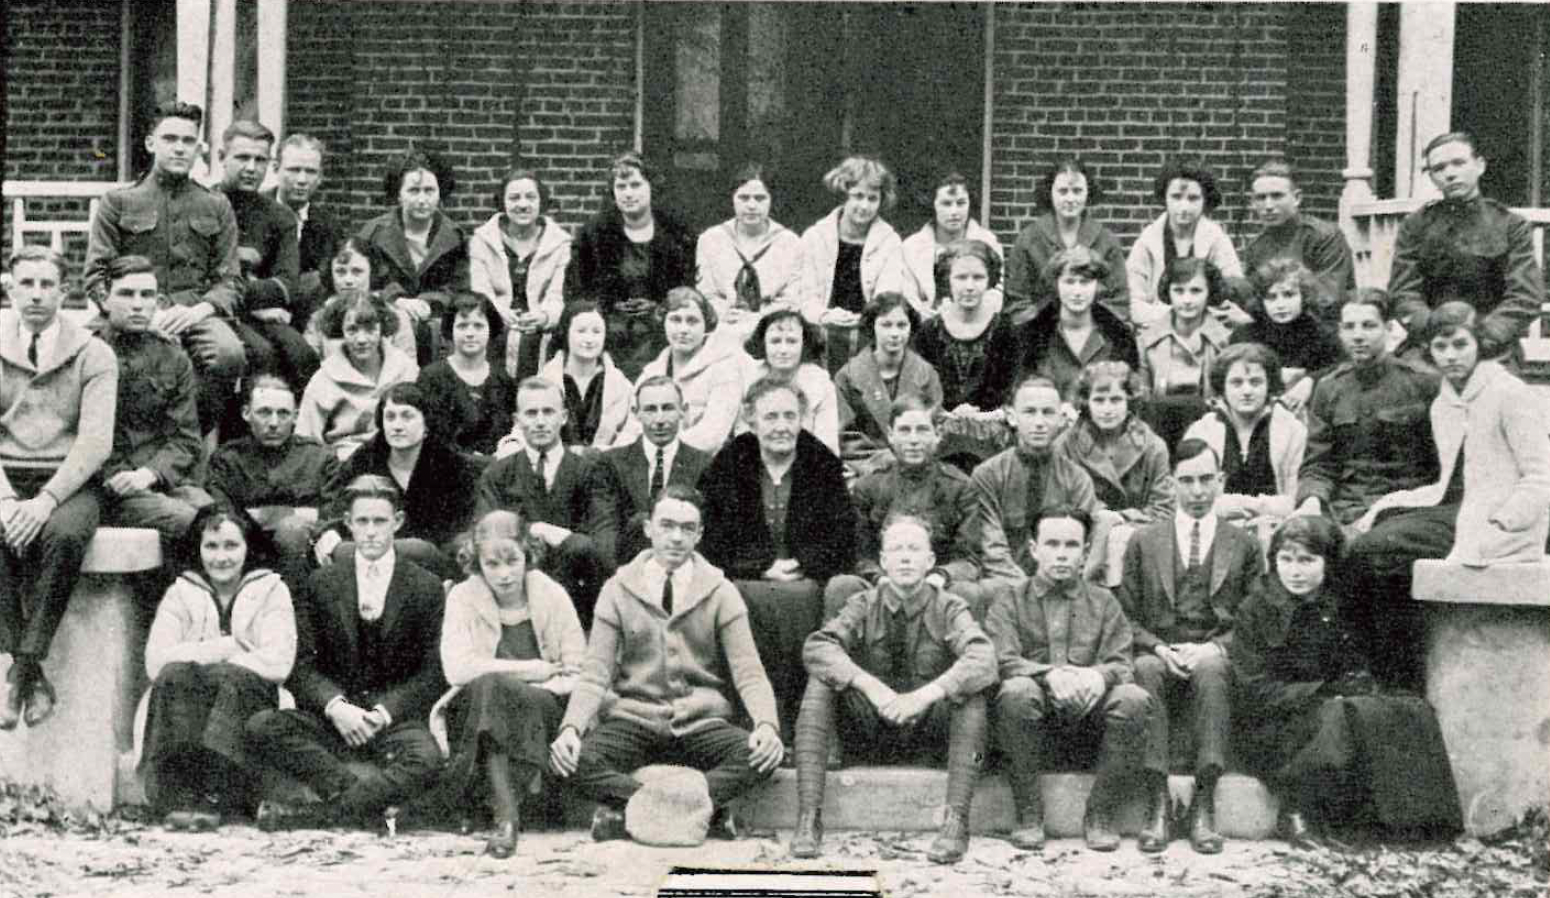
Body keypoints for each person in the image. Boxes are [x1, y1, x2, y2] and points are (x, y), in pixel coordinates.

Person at [550, 484, 785, 842]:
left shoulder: (720, 591)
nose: (676, 537)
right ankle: (705, 809)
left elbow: (748, 671)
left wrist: (767, 725)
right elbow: (596, 672)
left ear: (700, 534)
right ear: (648, 529)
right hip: (635, 718)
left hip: (701, 722)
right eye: (667, 525)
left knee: (764, 756)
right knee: (571, 761)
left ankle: (626, 812)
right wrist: (571, 728)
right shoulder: (618, 589)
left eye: (687, 528)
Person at [1345, 301, 1550, 691]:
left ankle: (1399, 680)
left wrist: (1504, 522)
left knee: (1372, 552)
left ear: (1479, 345)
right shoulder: (1444, 402)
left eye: (1460, 345)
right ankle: (1393, 672)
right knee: (1369, 539)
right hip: (1461, 510)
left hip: (1504, 521)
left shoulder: (1510, 394)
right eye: (1441, 347)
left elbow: (1541, 477)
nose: (1451, 356)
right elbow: (1450, 482)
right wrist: (1386, 505)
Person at [1231, 516, 1462, 847]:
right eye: (1286, 559)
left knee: (1410, 710)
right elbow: (1253, 688)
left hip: (1329, 708)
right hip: (1272, 723)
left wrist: (1351, 687)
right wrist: (1323, 693)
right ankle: (1297, 811)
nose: (1295, 571)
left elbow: (1357, 663)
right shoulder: (1255, 608)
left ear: (1327, 562)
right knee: (1337, 718)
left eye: (1307, 560)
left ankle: (1418, 823)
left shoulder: (1340, 604)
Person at [792, 515, 995, 864]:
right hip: (871, 726)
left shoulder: (949, 606)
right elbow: (818, 647)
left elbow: (983, 656)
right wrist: (870, 686)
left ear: (930, 561)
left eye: (914, 549)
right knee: (822, 680)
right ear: (883, 562)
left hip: (930, 733)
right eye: (896, 550)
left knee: (970, 693)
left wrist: (925, 695)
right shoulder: (863, 603)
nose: (904, 558)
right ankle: (808, 817)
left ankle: (956, 820)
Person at [248, 475, 446, 830]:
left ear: (397, 523)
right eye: (362, 522)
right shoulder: (321, 583)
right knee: (263, 727)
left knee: (427, 759)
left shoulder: (425, 587)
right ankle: (362, 801)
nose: (370, 532)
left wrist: (384, 713)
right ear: (348, 524)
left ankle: (312, 817)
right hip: (335, 718)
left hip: (391, 721)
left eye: (380, 522)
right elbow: (302, 666)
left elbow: (433, 672)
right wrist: (336, 707)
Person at [1114, 440, 1262, 853]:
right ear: (1172, 483)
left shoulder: (1244, 544)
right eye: (1187, 481)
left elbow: (1254, 618)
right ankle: (1157, 801)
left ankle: (1203, 801)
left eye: (1205, 480)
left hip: (1212, 654)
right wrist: (1159, 648)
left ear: (1221, 481)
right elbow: (1125, 616)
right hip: (1159, 651)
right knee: (1144, 671)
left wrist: (1214, 648)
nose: (1197, 491)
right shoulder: (1143, 541)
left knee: (1214, 672)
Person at [986, 506, 1153, 852]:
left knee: (1133, 699)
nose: (1061, 554)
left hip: (1092, 729)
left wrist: (1096, 677)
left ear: (1085, 551)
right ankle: (1029, 813)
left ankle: (1101, 812)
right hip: (1033, 729)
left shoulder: (1105, 602)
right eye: (1051, 544)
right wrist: (1049, 675)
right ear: (1034, 549)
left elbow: (1122, 661)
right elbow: (1002, 660)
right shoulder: (1010, 601)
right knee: (1016, 690)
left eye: (1071, 545)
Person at [699, 378, 857, 745]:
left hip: (807, 579)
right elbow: (712, 536)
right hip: (746, 578)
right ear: (751, 421)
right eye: (771, 417)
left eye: (790, 415)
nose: (782, 426)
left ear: (802, 418)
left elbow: (842, 539)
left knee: (800, 600)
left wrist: (802, 563)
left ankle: (802, 722)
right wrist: (760, 565)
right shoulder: (728, 462)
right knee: (742, 598)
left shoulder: (822, 463)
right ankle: (755, 718)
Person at [0, 247, 117, 729]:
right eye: (26, 283)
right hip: (5, 477)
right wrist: (7, 500)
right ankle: (31, 675)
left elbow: (95, 442)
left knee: (64, 536)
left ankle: (18, 673)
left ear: (64, 292)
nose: (36, 295)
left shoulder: (93, 352)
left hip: (68, 482)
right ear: (9, 289)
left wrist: (46, 500)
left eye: (47, 284)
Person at [84, 100, 245, 433]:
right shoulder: (118, 202)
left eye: (188, 141)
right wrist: (141, 314)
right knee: (87, 351)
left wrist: (199, 311)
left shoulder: (215, 205)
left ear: (199, 148)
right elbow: (96, 275)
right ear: (150, 143)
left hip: (193, 312)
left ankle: (187, 439)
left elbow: (230, 280)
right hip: (131, 308)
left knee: (229, 354)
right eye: (170, 139)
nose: (179, 148)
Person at [436, 510, 584, 857]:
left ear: (527, 555)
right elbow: (456, 669)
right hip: (479, 706)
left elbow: (577, 669)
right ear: (477, 563)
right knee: (490, 689)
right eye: (492, 565)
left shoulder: (551, 594)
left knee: (494, 690)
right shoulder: (462, 596)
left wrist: (531, 686)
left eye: (512, 562)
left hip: (543, 705)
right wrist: (531, 669)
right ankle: (509, 814)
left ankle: (503, 819)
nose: (504, 575)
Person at [139, 503, 295, 829]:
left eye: (231, 545)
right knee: (174, 675)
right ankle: (179, 794)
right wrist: (224, 647)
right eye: (211, 546)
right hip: (190, 694)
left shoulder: (271, 590)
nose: (220, 557)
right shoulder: (181, 593)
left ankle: (215, 793)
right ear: (198, 549)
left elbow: (278, 661)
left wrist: (209, 662)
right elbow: (156, 661)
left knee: (226, 677)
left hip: (251, 695)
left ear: (248, 547)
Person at [823, 396, 994, 621]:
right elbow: (858, 553)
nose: (913, 440)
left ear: (937, 434)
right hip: (881, 585)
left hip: (937, 588)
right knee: (842, 586)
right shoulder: (869, 486)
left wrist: (941, 576)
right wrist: (878, 578)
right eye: (904, 430)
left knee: (968, 593)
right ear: (891, 435)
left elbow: (970, 559)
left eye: (922, 430)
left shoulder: (960, 487)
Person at [92, 255, 213, 548]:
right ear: (105, 299)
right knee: (189, 522)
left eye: (146, 295)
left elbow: (185, 439)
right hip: (102, 487)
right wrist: (122, 477)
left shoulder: (173, 357)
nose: (137, 304)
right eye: (126, 293)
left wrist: (149, 474)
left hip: (157, 479)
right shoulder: (87, 350)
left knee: (221, 519)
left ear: (158, 302)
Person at [1295, 289, 1440, 528]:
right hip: (1345, 508)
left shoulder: (1423, 383)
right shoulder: (1329, 388)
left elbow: (1441, 467)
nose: (1358, 336)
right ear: (1340, 332)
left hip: (1405, 510)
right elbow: (1319, 464)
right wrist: (1312, 501)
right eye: (1349, 327)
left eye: (1368, 326)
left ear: (1389, 328)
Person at [477, 378, 610, 629]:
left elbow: (602, 540)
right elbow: (485, 535)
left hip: (577, 595)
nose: (540, 421)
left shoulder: (590, 471)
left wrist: (556, 534)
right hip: (515, 592)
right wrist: (531, 531)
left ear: (564, 417)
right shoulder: (498, 473)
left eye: (548, 412)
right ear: (517, 421)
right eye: (531, 413)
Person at [313, 382, 478, 582]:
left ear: (427, 422)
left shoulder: (451, 463)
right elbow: (338, 504)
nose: (397, 426)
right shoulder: (366, 457)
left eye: (407, 416)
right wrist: (329, 530)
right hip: (371, 549)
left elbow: (462, 524)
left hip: (431, 560)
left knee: (418, 550)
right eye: (390, 417)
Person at [1388, 132, 1544, 341]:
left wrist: (1485, 337)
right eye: (1439, 168)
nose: (1450, 174)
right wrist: (1434, 333)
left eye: (1458, 163)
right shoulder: (1416, 226)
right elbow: (1403, 293)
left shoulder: (1510, 225)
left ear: (1479, 166)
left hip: (1491, 344)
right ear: (1433, 178)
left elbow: (1525, 295)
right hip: (1431, 343)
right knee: (1411, 373)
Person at [565, 152, 697, 380]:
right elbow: (578, 289)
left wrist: (660, 307)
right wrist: (605, 309)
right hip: (609, 324)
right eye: (621, 186)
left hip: (661, 325)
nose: (628, 193)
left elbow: (688, 288)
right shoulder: (594, 234)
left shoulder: (676, 232)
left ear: (651, 187)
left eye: (635, 185)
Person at [216, 120, 319, 395]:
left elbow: (286, 286)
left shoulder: (279, 216)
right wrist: (255, 300)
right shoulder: (205, 205)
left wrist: (248, 297)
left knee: (302, 354)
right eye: (242, 158)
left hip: (258, 315)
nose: (251, 168)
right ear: (221, 158)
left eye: (260, 160)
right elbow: (200, 278)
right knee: (260, 355)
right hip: (216, 312)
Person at [206, 374, 338, 587]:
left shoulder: (320, 458)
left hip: (305, 561)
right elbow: (226, 518)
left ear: (296, 416)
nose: (274, 423)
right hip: (247, 558)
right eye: (264, 413)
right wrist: (299, 514)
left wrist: (263, 515)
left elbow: (331, 516)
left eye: (283, 414)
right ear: (246, 413)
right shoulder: (227, 460)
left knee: (292, 531)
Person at [970, 376, 1099, 585]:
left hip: (1059, 583)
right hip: (1005, 584)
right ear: (1012, 417)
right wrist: (1027, 590)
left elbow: (1082, 545)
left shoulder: (1077, 479)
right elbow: (992, 548)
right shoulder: (988, 475)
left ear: (1061, 418)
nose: (1039, 423)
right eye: (1030, 412)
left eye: (1048, 413)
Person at [1053, 361, 1173, 584]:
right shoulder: (1065, 445)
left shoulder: (1153, 446)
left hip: (1139, 544)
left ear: (1130, 402)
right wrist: (1100, 519)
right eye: (1099, 400)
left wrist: (1118, 519)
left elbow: (1164, 510)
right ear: (1085, 403)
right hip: (1081, 543)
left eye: (1116, 400)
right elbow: (1061, 504)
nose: (1107, 409)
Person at [911, 239, 1023, 469]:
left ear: (990, 280)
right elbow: (921, 389)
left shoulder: (1006, 330)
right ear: (947, 280)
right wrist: (950, 412)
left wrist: (980, 415)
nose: (969, 286)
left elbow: (1009, 387)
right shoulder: (927, 332)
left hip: (992, 428)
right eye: (961, 277)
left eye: (978, 277)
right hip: (941, 427)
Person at [584, 375, 713, 572]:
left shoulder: (704, 465)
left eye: (668, 408)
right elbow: (605, 530)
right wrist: (621, 577)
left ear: (683, 411)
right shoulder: (611, 463)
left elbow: (705, 534)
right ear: (636, 413)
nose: (660, 419)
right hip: (624, 570)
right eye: (651, 409)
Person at [359, 147, 471, 365]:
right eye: (413, 190)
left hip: (438, 326)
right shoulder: (373, 234)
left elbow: (461, 286)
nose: (422, 199)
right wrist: (396, 299)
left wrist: (430, 302)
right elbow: (365, 279)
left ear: (440, 193)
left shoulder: (456, 237)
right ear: (398, 194)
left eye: (429, 191)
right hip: (388, 322)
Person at [799, 155, 907, 373]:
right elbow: (805, 295)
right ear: (844, 196)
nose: (864, 206)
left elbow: (887, 297)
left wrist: (865, 318)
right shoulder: (815, 237)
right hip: (821, 328)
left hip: (867, 330)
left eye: (872, 198)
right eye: (857, 196)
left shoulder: (890, 241)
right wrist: (825, 315)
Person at [1182, 343, 1308, 522]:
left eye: (1256, 382)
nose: (1247, 391)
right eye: (1237, 383)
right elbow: (1192, 499)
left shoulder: (1292, 431)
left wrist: (1245, 505)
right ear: (1222, 387)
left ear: (1269, 385)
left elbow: (1297, 500)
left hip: (1276, 528)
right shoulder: (1202, 431)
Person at [469, 167, 573, 381]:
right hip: (496, 323)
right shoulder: (482, 240)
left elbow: (557, 294)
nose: (523, 204)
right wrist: (497, 311)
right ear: (503, 202)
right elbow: (480, 290)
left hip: (540, 327)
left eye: (530, 197)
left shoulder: (560, 244)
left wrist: (544, 316)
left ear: (541, 201)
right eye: (514, 198)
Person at [620, 286, 749, 456]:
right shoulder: (651, 373)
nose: (683, 330)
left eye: (692, 321)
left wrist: (659, 452)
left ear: (707, 325)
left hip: (705, 465)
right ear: (663, 321)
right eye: (675, 320)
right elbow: (632, 429)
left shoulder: (724, 369)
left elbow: (711, 436)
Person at [297, 289, 420, 461]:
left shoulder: (405, 369)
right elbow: (306, 438)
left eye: (370, 329)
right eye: (352, 330)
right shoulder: (324, 379)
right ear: (340, 330)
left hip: (399, 457)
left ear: (382, 328)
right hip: (346, 462)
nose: (361, 339)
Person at [1004, 158, 1129, 325]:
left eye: (1077, 191)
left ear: (1088, 193)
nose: (1070, 199)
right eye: (1063, 191)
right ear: (1050, 193)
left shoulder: (1106, 241)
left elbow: (1119, 301)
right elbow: (1016, 301)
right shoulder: (1028, 239)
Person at [1126, 160, 1246, 329]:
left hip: (1207, 331)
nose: (1184, 206)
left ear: (1205, 200)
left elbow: (1233, 294)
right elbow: (1132, 301)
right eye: (1176, 197)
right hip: (1156, 329)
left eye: (1193, 198)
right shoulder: (1147, 241)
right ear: (1164, 198)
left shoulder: (1217, 239)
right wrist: (1175, 316)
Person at [695, 163, 806, 340]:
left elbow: (792, 299)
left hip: (772, 329)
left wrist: (757, 318)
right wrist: (725, 313)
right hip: (723, 327)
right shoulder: (711, 240)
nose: (752, 206)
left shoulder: (790, 243)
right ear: (732, 198)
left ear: (771, 200)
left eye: (760, 198)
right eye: (744, 198)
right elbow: (705, 293)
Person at [833, 292, 943, 468]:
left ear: (911, 327)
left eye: (901, 325)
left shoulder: (926, 374)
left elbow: (935, 427)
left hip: (917, 466)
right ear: (872, 327)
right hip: (867, 471)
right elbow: (846, 437)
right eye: (886, 325)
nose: (894, 333)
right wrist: (882, 462)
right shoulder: (848, 376)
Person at [1136, 257, 1236, 451]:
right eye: (1179, 291)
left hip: (1210, 429)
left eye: (1196, 291)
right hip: (1160, 429)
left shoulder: (1225, 340)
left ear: (1209, 293)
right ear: (1169, 293)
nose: (1187, 300)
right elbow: (1143, 400)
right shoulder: (1147, 340)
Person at [1018, 246, 1139, 403]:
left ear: (1097, 285)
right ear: (1056, 284)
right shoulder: (1032, 336)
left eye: (1085, 282)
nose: (1077, 291)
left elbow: (1130, 396)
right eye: (1069, 282)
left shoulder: (1119, 337)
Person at [1230, 259, 1343, 414]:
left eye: (1289, 295)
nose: (1280, 304)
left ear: (1304, 296)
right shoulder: (1245, 336)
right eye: (1271, 297)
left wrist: (1311, 380)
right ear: (1261, 301)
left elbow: (1341, 366)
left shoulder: (1321, 333)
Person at [1242, 159, 1355, 310]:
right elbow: (1252, 299)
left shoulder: (1324, 237)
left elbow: (1330, 298)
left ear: (1297, 198)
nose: (1268, 206)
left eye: (1277, 196)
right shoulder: (1256, 247)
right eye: (1261, 198)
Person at [416, 292, 516, 457]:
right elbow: (431, 440)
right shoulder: (432, 377)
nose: (470, 333)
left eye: (478, 326)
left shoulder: (502, 379)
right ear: (450, 330)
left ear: (490, 329)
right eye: (462, 326)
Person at [896, 169, 1004, 319]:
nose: (954, 211)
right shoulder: (911, 248)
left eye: (961, 203)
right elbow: (908, 294)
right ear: (933, 205)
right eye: (946, 204)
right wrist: (924, 314)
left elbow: (997, 291)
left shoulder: (987, 241)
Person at [266, 133, 344, 333]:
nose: (302, 180)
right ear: (276, 169)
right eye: (294, 170)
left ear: (320, 177)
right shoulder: (254, 212)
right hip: (260, 315)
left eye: (310, 172)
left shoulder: (328, 225)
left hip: (307, 322)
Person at [736, 309, 840, 456]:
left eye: (791, 341)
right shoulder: (748, 378)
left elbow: (827, 443)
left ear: (803, 344)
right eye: (775, 341)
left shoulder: (820, 383)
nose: (783, 350)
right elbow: (742, 435)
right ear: (763, 344)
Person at [539, 302, 633, 453]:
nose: (589, 339)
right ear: (566, 332)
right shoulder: (544, 382)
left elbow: (631, 433)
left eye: (596, 332)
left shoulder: (621, 386)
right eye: (581, 331)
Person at [304, 237, 416, 360]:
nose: (348, 280)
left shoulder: (395, 315)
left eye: (357, 271)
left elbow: (407, 367)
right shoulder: (320, 318)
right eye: (340, 272)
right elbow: (309, 367)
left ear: (372, 272)